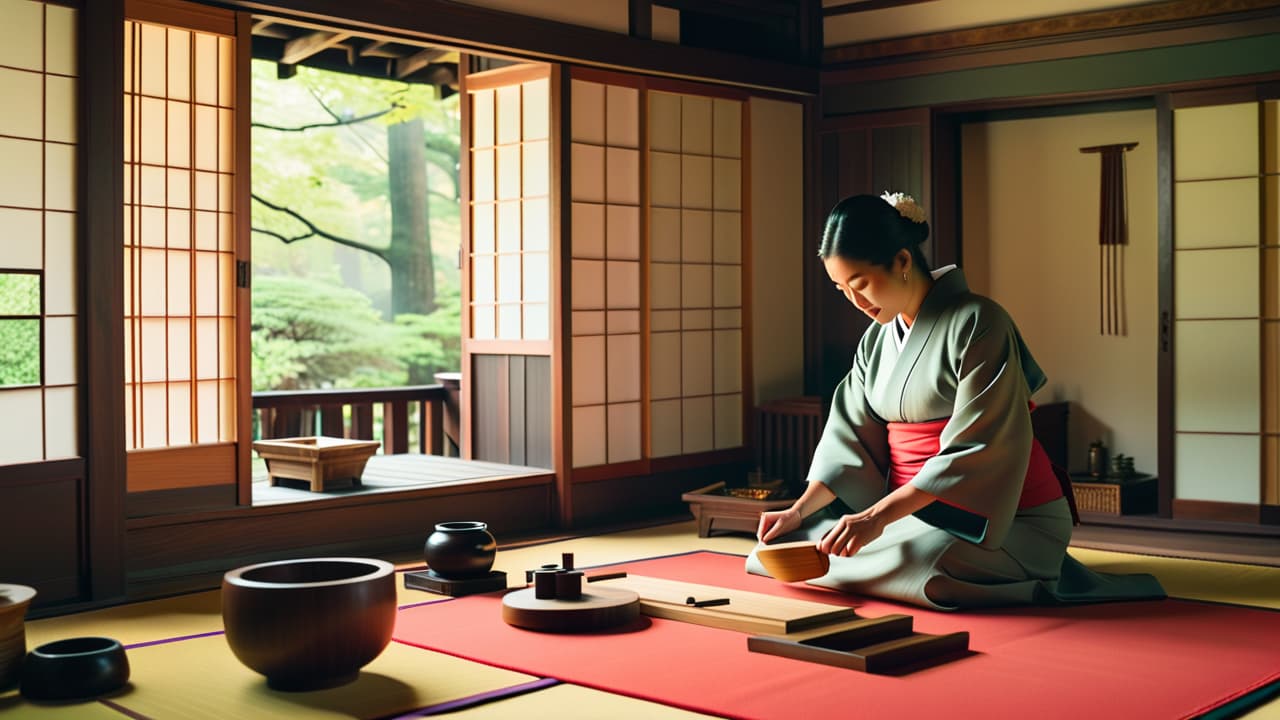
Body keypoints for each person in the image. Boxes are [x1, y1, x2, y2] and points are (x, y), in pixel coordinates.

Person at [749, 192, 1165, 610]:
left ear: (902, 261)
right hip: (913, 512)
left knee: (929, 568)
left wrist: (877, 518)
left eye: (861, 284)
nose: (857, 302)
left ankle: (1015, 563)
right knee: (791, 545)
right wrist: (798, 512)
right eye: (842, 290)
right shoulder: (875, 340)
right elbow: (849, 438)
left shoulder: (981, 322)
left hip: (998, 517)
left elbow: (978, 448)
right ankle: (884, 548)